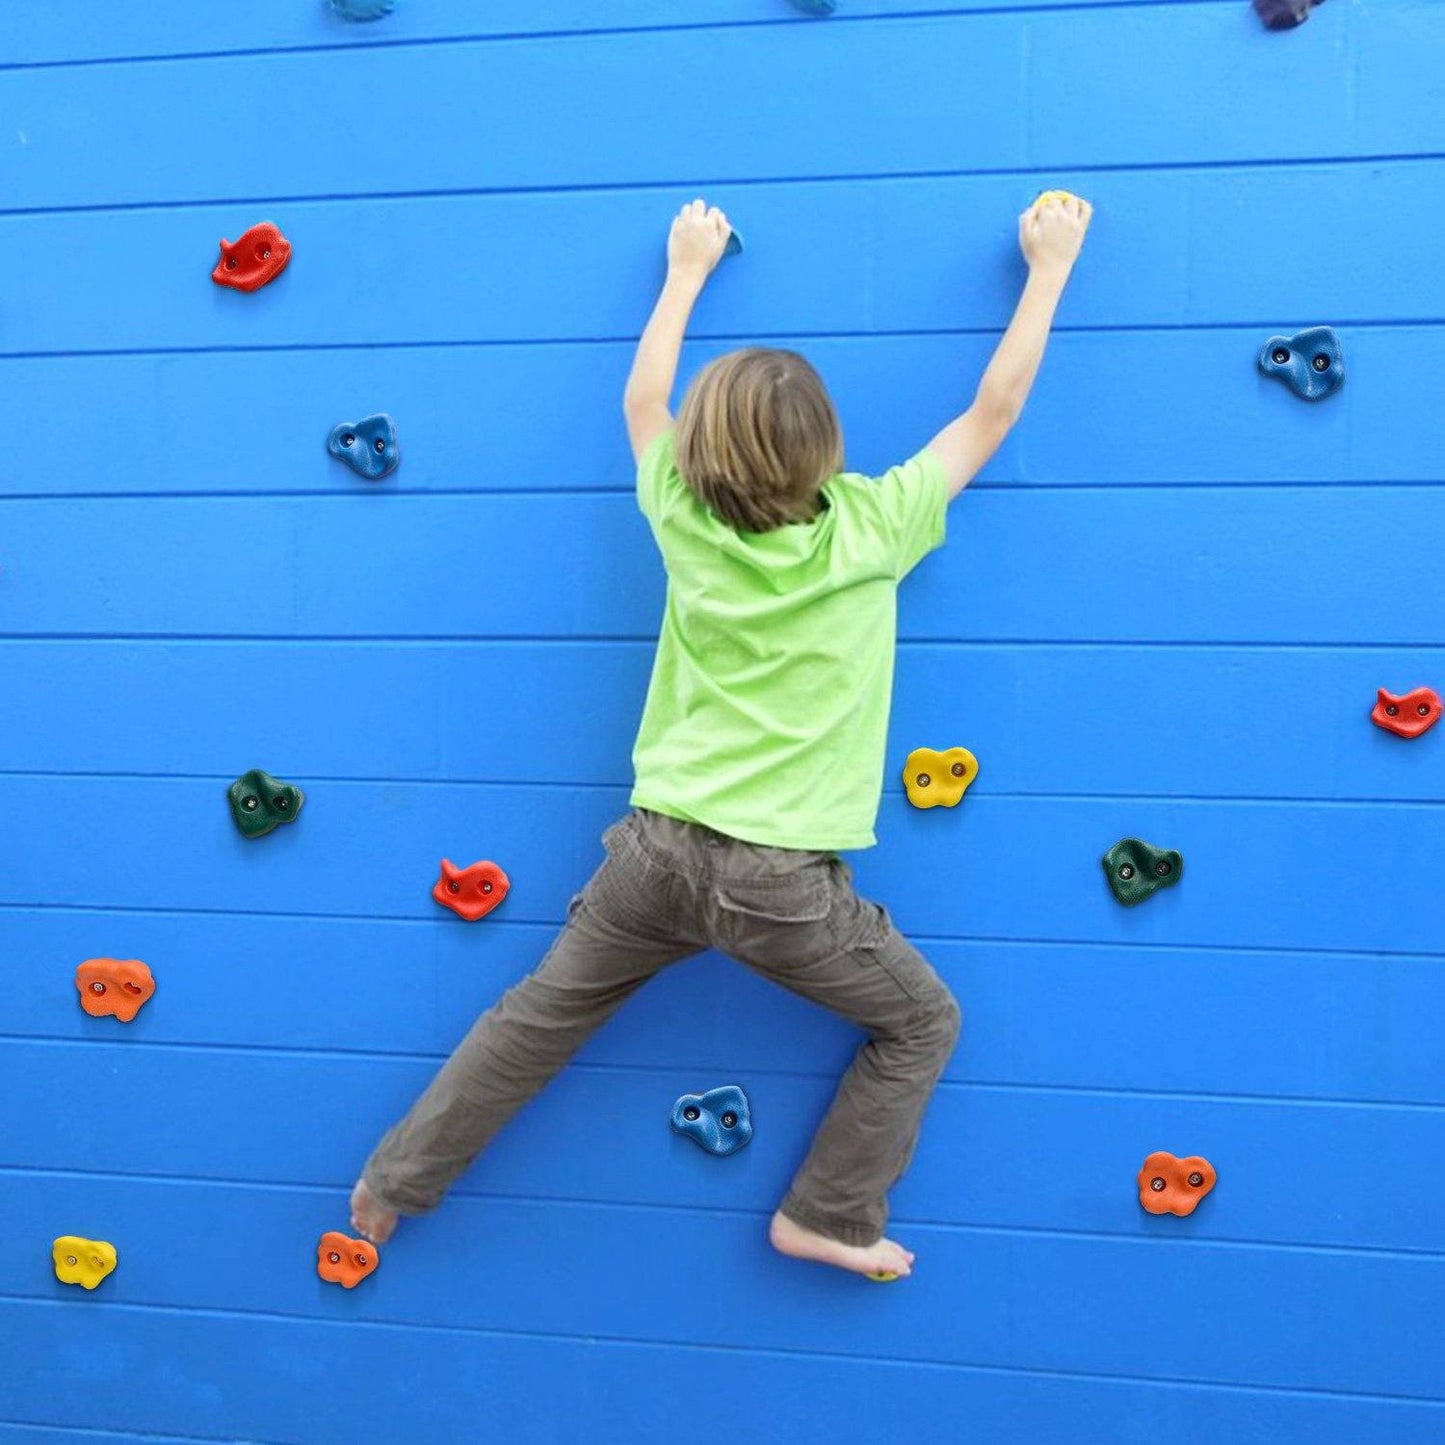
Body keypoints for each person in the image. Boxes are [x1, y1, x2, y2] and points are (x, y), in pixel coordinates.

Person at [351, 192, 1092, 1280]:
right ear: (825, 449)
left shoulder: (678, 513)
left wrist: (685, 270)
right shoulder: (875, 528)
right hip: (777, 883)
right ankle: (826, 1214)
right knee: (923, 1023)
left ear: (702, 451)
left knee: (536, 1018)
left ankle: (389, 1184)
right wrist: (1049, 267)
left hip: (652, 853)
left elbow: (643, 394)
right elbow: (992, 410)